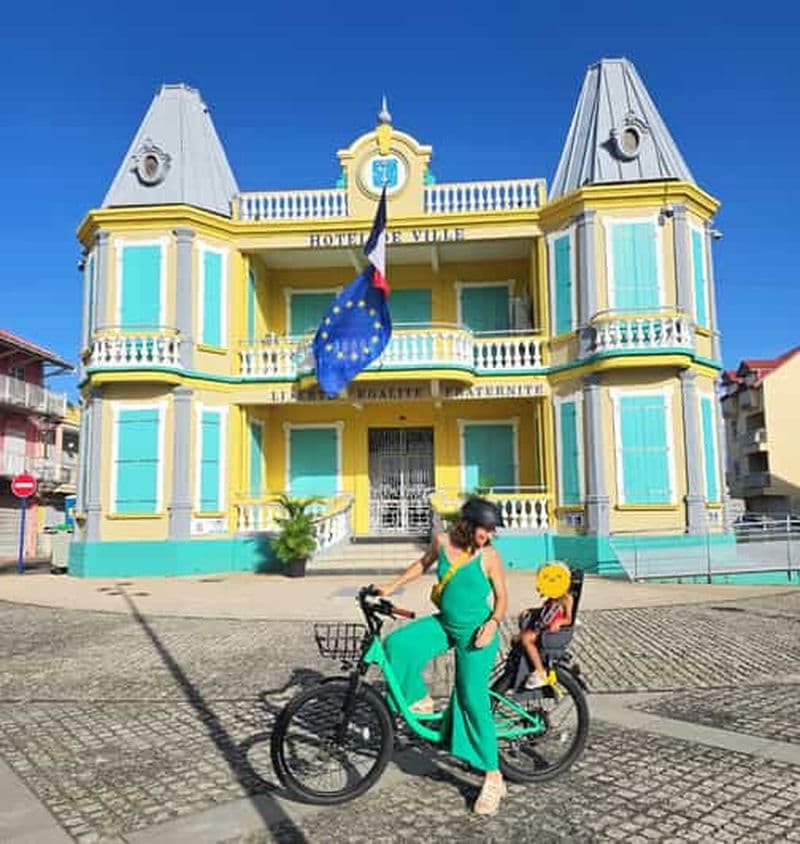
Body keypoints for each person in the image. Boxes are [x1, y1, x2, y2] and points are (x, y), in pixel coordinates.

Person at [377, 497, 509, 816]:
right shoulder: (442, 541)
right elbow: (422, 564)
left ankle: (493, 776)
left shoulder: (489, 556)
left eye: (492, 531)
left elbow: (503, 598)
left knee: (472, 699)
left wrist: (493, 624)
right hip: (445, 625)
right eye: (485, 530)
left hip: (477, 633)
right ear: (468, 525)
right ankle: (419, 698)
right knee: (397, 645)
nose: (488, 536)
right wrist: (390, 586)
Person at [519, 561, 574, 689]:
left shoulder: (566, 598)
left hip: (550, 632)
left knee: (526, 638)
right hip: (542, 627)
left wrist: (559, 622)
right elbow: (543, 612)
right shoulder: (551, 599)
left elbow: (569, 619)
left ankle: (540, 672)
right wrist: (530, 611)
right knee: (518, 638)